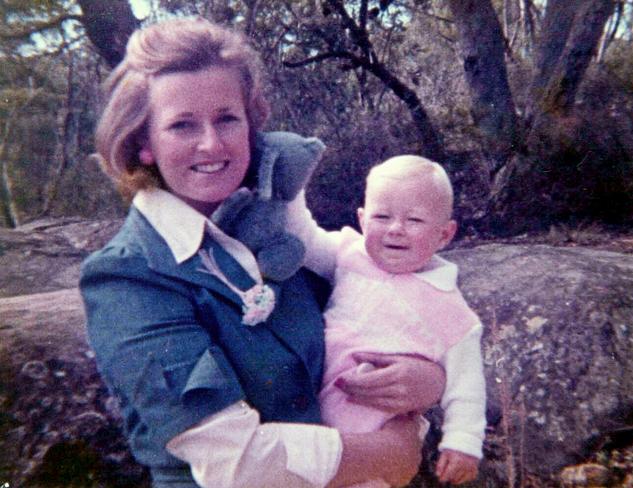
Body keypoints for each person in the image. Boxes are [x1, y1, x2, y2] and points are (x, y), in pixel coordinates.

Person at [79, 17, 446, 488]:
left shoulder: (279, 230)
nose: (211, 143)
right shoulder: (126, 277)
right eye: (182, 125)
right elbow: (235, 463)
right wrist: (387, 452)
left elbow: (386, 306)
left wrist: (427, 380)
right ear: (144, 144)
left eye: (227, 118)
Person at [287, 155, 487, 486]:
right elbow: (304, 238)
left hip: (374, 434)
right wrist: (292, 185)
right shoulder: (349, 255)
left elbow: (466, 385)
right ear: (363, 221)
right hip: (310, 417)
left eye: (415, 220)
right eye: (382, 216)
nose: (395, 229)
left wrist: (463, 443)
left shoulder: (451, 309)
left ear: (445, 234)